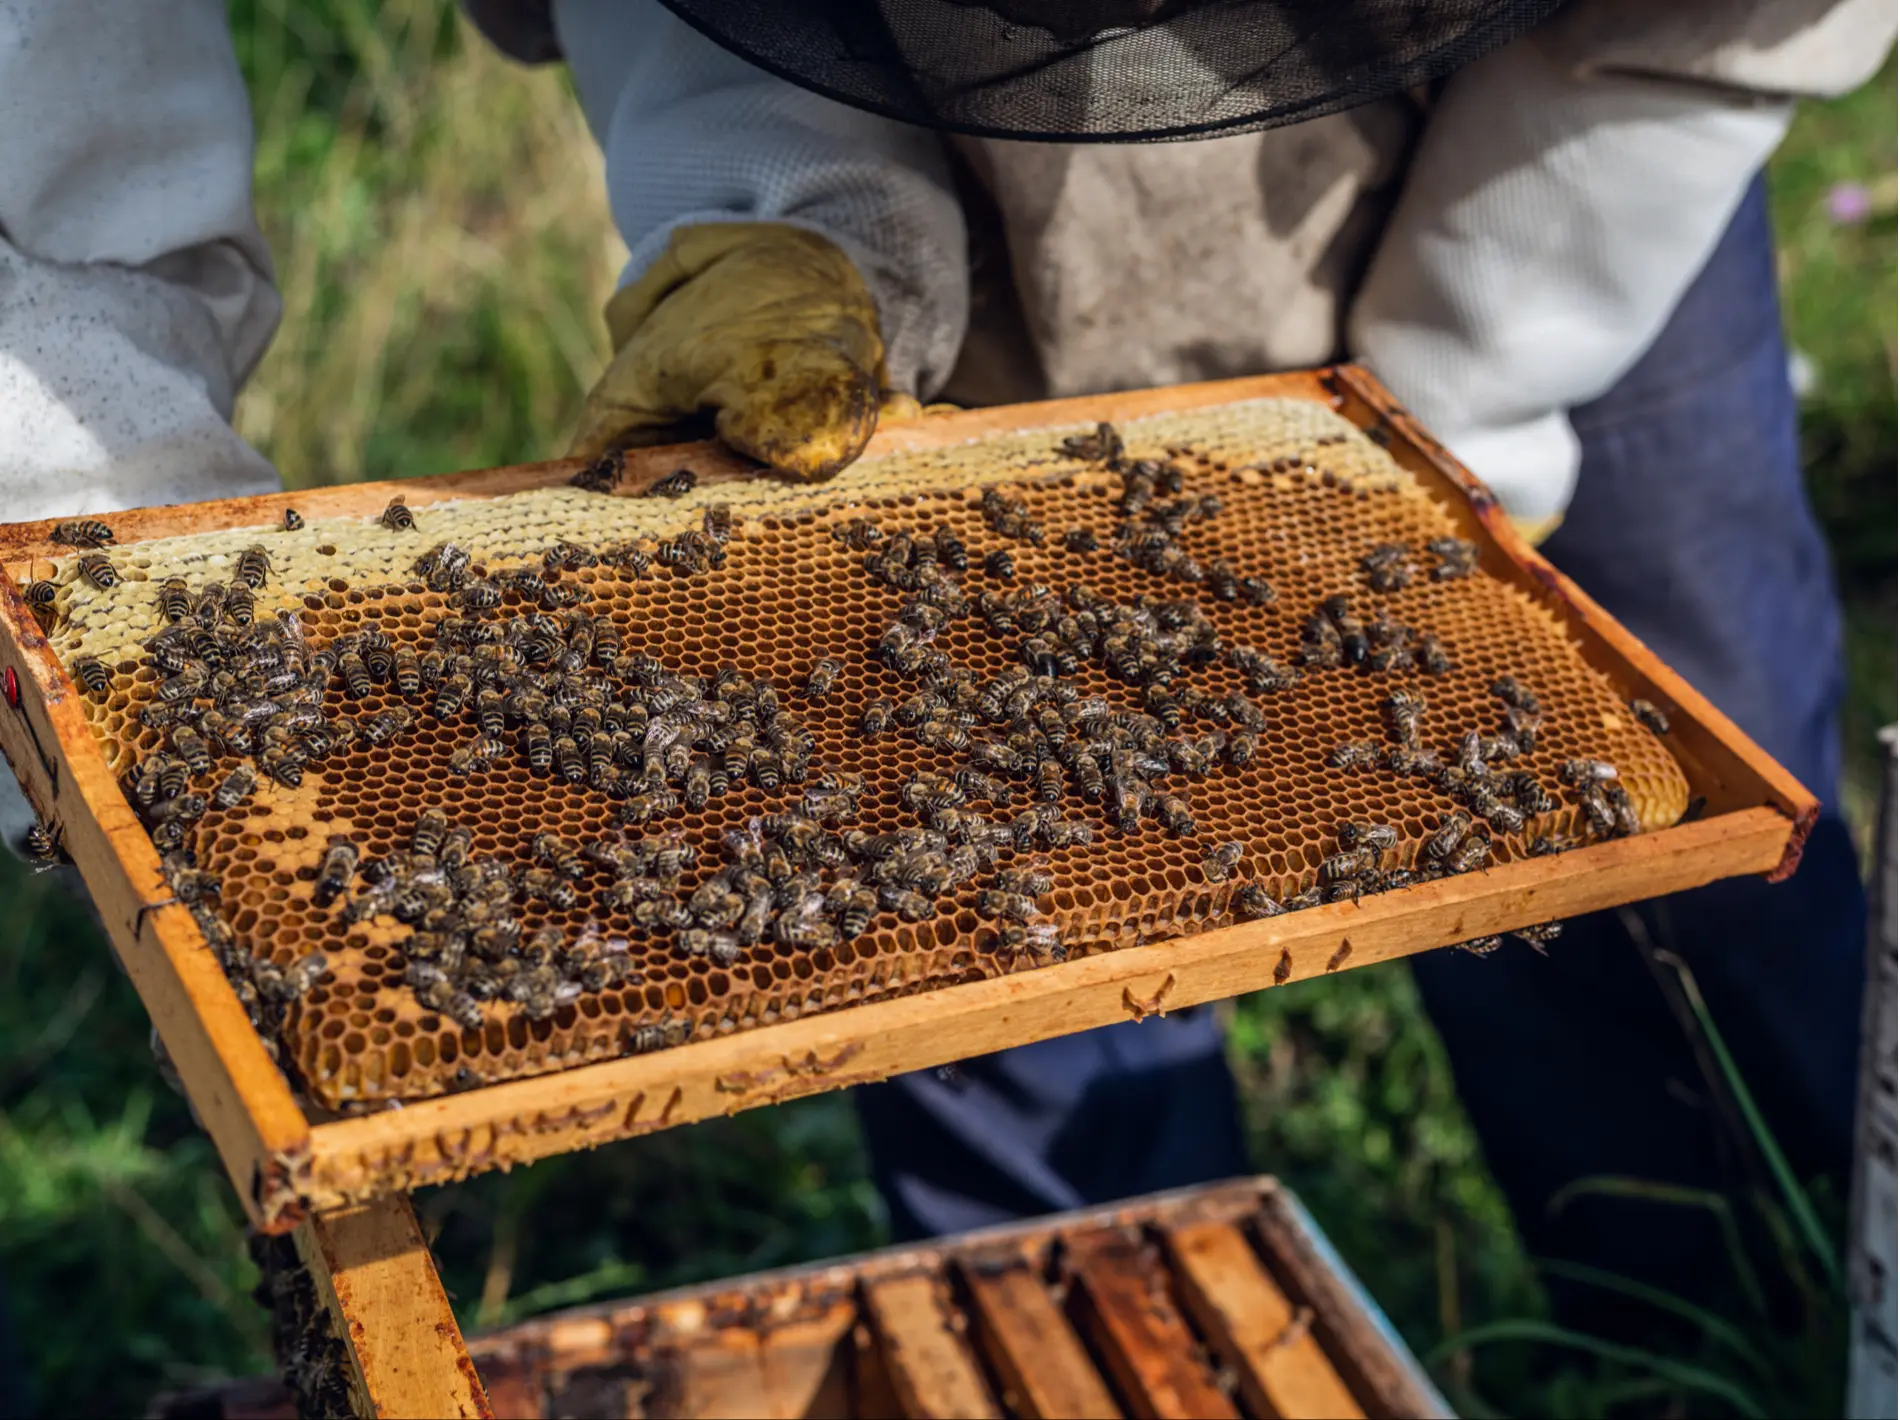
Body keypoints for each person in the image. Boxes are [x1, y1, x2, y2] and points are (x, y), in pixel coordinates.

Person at [0, 0, 1888, 1322]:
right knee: (969, 942)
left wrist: (1460, 412)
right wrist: (802, 211)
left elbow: (1692, 29)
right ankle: (1103, 1329)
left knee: (1656, 875)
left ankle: (1735, 1334)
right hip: (952, 276)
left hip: (1561, 168)